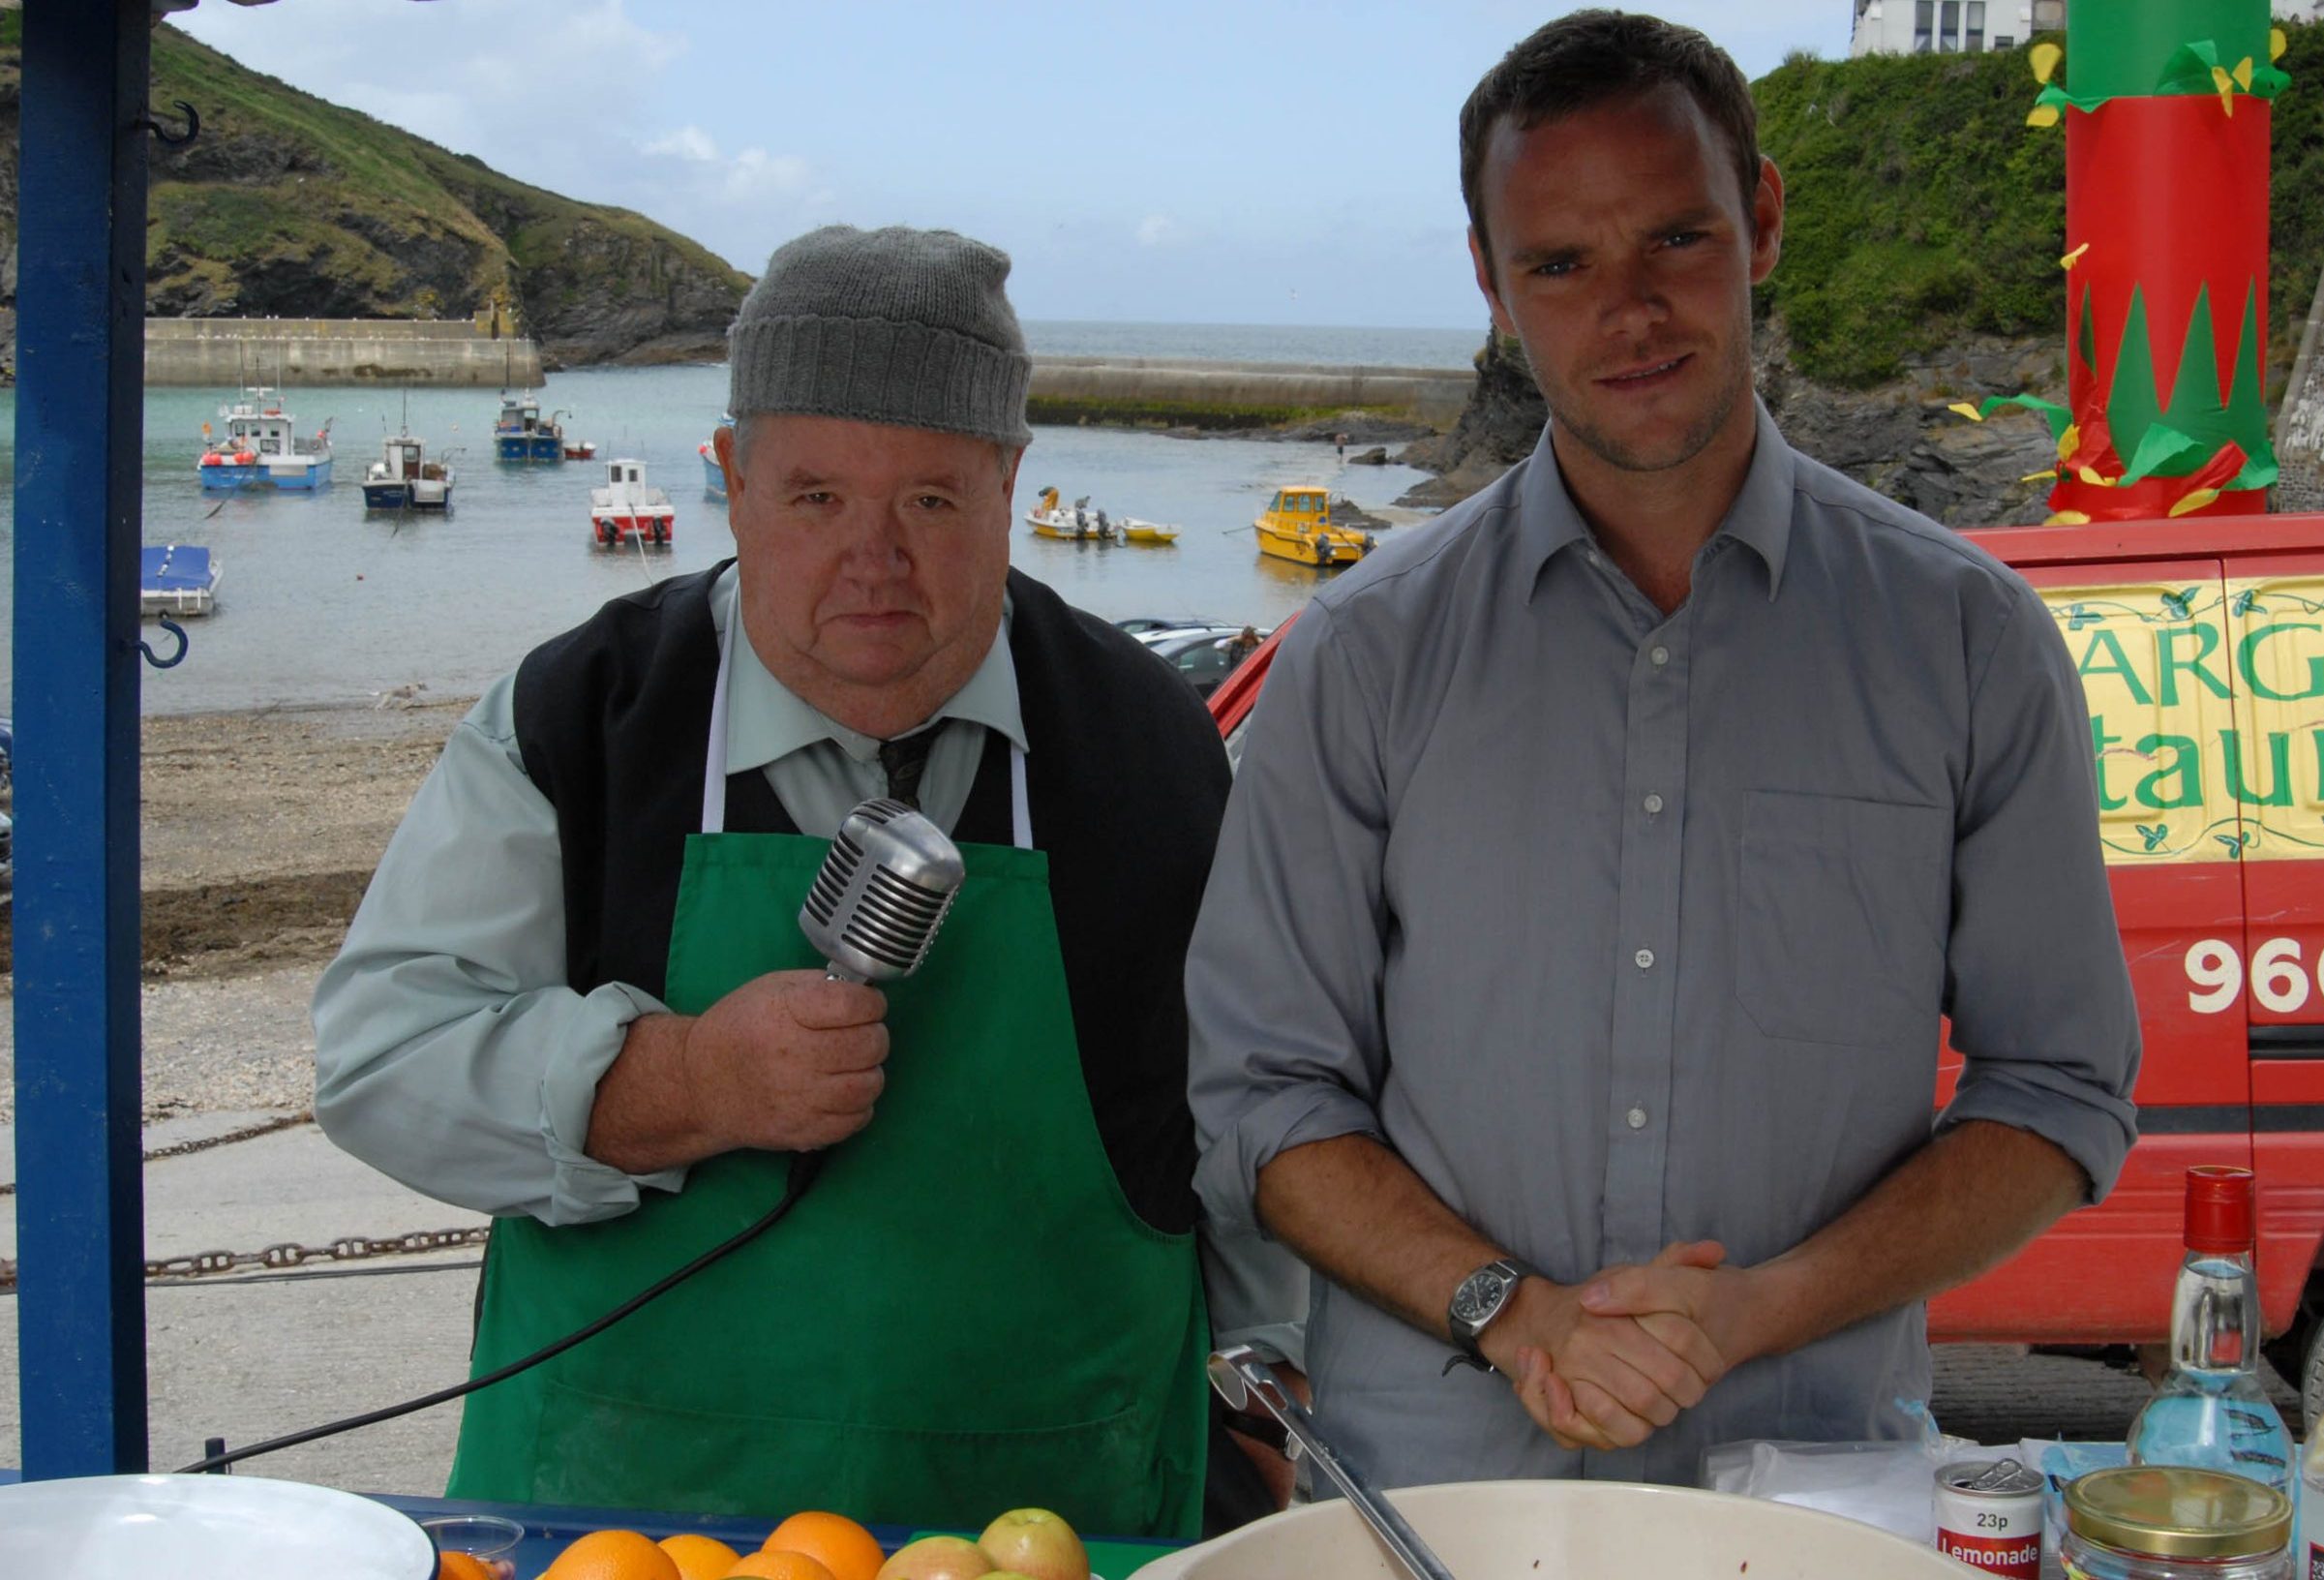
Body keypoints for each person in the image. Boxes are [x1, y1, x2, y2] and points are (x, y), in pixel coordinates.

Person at [1186, 10, 2141, 1494]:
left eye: (1676, 240)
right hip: (1439, 1508)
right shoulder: (1366, 654)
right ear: (1491, 287)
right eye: (1559, 263)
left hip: (1813, 1487)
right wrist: (1508, 1315)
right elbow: (1264, 1098)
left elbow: (2061, 1089)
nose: (1626, 311)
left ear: (1761, 220)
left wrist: (1767, 1308)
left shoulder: (1965, 639)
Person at [316, 225, 1300, 1536]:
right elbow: (381, 1060)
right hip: (619, 1521)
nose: (874, 560)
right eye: (818, 497)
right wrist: (676, 1085)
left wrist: (1261, 1403)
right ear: (731, 478)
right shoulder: (581, 718)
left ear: (1012, 483)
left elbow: (1250, 1108)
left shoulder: (1149, 745)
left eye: (932, 501)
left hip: (1058, 1511)